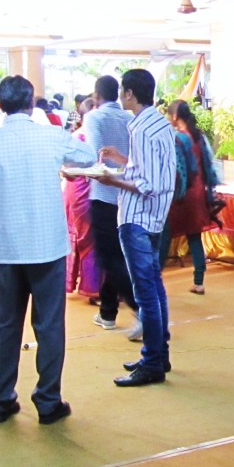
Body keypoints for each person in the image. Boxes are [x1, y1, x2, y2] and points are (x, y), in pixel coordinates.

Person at [0, 75, 96, 424]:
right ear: (30, 102)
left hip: (5, 249)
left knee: (4, 325)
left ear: (0, 104)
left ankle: (1, 399)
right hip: (46, 247)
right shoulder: (50, 136)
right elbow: (85, 155)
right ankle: (48, 400)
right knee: (49, 325)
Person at [97, 69, 177, 387]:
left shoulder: (142, 127)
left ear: (130, 93)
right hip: (155, 217)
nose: (120, 97)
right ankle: (159, 353)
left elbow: (147, 183)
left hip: (137, 218)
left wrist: (110, 178)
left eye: (122, 92)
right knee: (154, 290)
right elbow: (152, 170)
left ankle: (153, 361)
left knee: (146, 293)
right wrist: (123, 160)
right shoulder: (159, 122)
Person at [83, 75, 141, 339]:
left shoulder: (95, 118)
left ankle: (140, 308)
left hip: (105, 194)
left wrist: (81, 170)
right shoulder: (130, 119)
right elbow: (133, 162)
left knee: (109, 258)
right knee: (117, 257)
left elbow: (97, 158)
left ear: (96, 96)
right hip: (128, 196)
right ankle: (107, 312)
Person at [159, 100, 219, 295]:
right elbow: (208, 165)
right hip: (199, 192)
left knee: (165, 235)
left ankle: (155, 277)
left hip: (181, 194)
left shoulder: (178, 139)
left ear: (175, 116)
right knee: (194, 236)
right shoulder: (199, 136)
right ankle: (199, 281)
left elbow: (176, 170)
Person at [64, 98, 101, 301]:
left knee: (92, 238)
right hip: (81, 191)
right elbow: (67, 168)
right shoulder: (79, 137)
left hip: (89, 189)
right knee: (89, 239)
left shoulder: (91, 136)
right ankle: (92, 288)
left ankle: (94, 286)